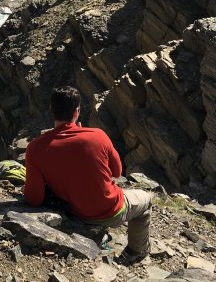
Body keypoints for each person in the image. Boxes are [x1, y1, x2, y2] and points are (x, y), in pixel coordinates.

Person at [24, 86, 152, 264]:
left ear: (52, 110)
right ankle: (135, 252)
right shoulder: (97, 136)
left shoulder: (35, 148)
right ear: (76, 112)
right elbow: (117, 172)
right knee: (146, 201)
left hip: (75, 212)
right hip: (111, 210)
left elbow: (33, 198)